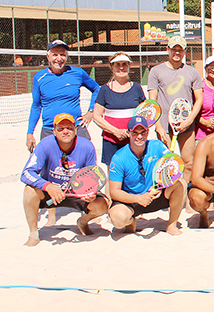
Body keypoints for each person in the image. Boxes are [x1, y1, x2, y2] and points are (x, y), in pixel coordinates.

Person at [21, 113, 106, 246]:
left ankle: (83, 222)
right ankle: (33, 234)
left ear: (75, 129)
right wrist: (47, 186)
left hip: (76, 192)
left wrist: (90, 193)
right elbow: (26, 173)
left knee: (102, 205)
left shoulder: (86, 146)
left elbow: (92, 176)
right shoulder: (45, 145)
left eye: (69, 128)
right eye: (61, 129)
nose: (65, 131)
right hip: (51, 191)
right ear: (54, 131)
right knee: (29, 191)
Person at [107, 116, 185, 236]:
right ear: (129, 133)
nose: (139, 136)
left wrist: (161, 185)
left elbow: (173, 165)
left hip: (154, 194)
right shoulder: (119, 157)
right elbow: (114, 192)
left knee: (180, 184)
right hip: (131, 200)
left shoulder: (157, 146)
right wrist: (138, 199)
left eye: (143, 132)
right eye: (135, 133)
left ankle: (172, 225)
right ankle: (130, 222)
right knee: (118, 219)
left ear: (148, 132)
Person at [27, 39, 100, 152]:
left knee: (85, 161)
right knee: (50, 166)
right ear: (48, 57)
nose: (59, 58)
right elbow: (36, 106)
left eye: (62, 54)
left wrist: (91, 112)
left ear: (67, 56)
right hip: (50, 128)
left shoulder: (77, 73)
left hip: (75, 126)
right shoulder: (39, 77)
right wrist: (30, 133)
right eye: (55, 55)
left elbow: (96, 89)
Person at [147, 35, 203, 180]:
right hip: (164, 126)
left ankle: (186, 199)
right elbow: (152, 102)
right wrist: (158, 126)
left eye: (180, 50)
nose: (177, 53)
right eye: (174, 49)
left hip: (186, 127)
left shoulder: (192, 72)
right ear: (168, 50)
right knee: (164, 164)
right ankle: (167, 198)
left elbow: (199, 100)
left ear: (185, 51)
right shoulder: (155, 71)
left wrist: (188, 121)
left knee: (189, 163)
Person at [93, 52, 146, 167]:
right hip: (111, 141)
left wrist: (135, 133)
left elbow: (145, 114)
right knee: (113, 175)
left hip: (134, 140)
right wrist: (115, 131)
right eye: (117, 64)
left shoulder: (137, 88)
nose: (121, 67)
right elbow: (96, 116)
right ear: (112, 67)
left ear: (129, 66)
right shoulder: (105, 90)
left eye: (124, 64)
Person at [196, 55, 214, 141]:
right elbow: (192, 110)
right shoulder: (199, 86)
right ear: (205, 68)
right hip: (202, 135)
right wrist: (205, 122)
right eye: (211, 67)